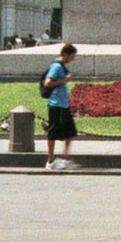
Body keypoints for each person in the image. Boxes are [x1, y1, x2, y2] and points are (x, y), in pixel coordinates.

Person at [42, 43, 77, 171]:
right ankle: (50, 161)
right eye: (72, 56)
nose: (73, 59)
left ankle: (63, 158)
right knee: (53, 133)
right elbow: (47, 83)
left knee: (70, 132)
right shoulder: (56, 66)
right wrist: (64, 81)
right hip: (56, 104)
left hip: (63, 104)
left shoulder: (62, 67)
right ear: (65, 55)